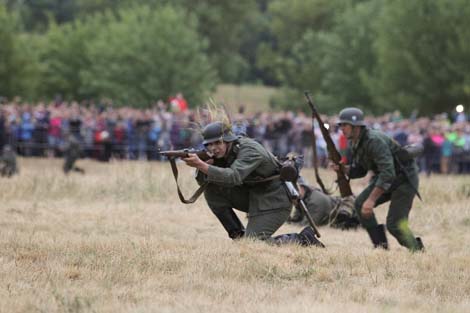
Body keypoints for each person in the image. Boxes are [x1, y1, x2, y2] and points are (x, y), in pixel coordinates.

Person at [182, 121, 323, 246]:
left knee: (254, 243)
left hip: (275, 201)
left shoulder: (249, 150)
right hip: (254, 196)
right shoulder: (222, 154)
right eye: (209, 145)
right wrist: (204, 166)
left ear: (228, 140)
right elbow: (203, 182)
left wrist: (202, 165)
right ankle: (239, 236)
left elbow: (234, 177)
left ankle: (302, 239)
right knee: (212, 190)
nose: (213, 148)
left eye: (218, 143)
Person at [333, 107, 424, 251]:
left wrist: (371, 200)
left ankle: (416, 249)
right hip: (387, 177)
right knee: (359, 204)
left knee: (394, 224)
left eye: (345, 125)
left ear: (356, 126)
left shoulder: (374, 141)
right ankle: (381, 247)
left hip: (403, 179)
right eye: (340, 125)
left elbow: (388, 172)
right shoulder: (355, 142)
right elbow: (362, 170)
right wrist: (344, 169)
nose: (341, 128)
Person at [288, 176, 360, 230]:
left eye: (296, 188)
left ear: (303, 188)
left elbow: (307, 225)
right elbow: (296, 219)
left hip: (354, 213)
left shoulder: (316, 201)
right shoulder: (303, 199)